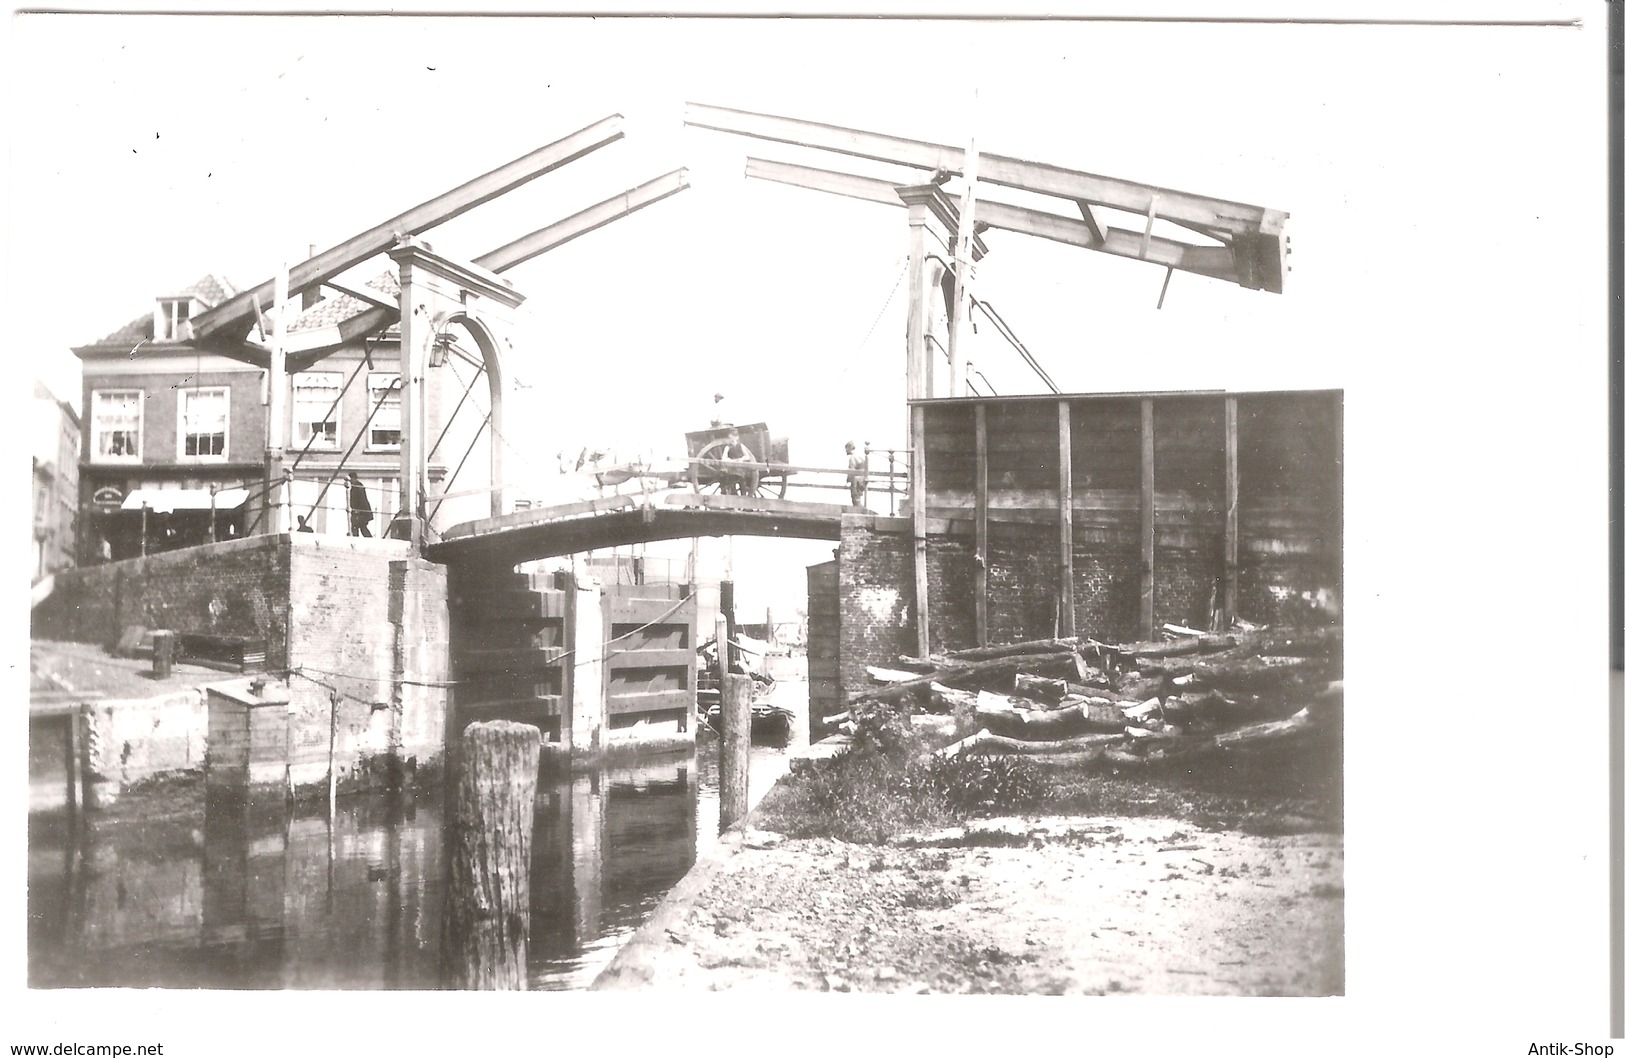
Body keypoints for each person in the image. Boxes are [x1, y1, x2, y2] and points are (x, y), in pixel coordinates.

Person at [718, 428, 755, 496]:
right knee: (732, 484)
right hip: (731, 469)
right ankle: (734, 497)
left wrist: (742, 459)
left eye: (734, 437)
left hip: (740, 469)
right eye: (730, 438)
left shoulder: (741, 446)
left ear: (737, 437)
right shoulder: (727, 447)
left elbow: (747, 456)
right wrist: (731, 460)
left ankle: (743, 497)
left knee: (742, 484)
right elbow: (723, 458)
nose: (732, 439)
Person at [347, 472, 373, 537]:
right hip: (361, 511)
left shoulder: (357, 486)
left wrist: (358, 510)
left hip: (361, 512)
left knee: (358, 527)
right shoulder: (356, 486)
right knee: (360, 527)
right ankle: (369, 540)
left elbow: (361, 499)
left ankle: (358, 540)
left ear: (353, 478)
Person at [845, 440, 868, 508]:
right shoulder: (860, 456)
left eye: (846, 449)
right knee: (858, 498)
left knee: (856, 500)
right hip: (862, 479)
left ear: (849, 448)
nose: (846, 451)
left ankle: (861, 511)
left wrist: (848, 481)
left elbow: (851, 471)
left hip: (856, 481)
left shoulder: (852, 458)